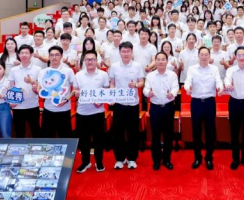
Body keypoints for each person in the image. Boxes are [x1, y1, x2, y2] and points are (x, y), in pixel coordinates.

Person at [184, 47, 223, 170]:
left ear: (209, 56)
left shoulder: (214, 69)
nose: (204, 57)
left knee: (210, 131)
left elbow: (218, 81)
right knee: (196, 131)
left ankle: (209, 158)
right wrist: (188, 88)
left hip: (210, 103)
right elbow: (187, 81)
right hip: (196, 103)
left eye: (206, 54)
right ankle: (197, 157)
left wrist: (220, 88)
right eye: (202, 54)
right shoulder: (192, 69)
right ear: (198, 56)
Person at [108, 41, 146, 169]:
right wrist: (112, 95)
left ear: (132, 52)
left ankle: (132, 158)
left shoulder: (137, 66)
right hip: (119, 104)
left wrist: (136, 85)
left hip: (133, 104)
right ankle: (119, 158)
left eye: (128, 51)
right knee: (118, 132)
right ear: (119, 52)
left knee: (133, 132)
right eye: (123, 51)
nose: (126, 54)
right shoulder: (114, 67)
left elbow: (141, 82)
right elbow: (112, 83)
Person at [72, 50, 110, 173]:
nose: (90, 62)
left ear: (96, 61)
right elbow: (75, 91)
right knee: (84, 140)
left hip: (98, 112)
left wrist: (101, 100)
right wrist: (76, 94)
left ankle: (99, 162)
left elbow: (106, 92)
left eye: (92, 59)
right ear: (84, 61)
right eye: (87, 59)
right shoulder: (78, 75)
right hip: (82, 112)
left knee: (99, 139)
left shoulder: (103, 75)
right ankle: (85, 162)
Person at [144, 52, 178, 170]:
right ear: (155, 62)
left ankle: (167, 159)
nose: (160, 61)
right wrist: (148, 93)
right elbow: (145, 89)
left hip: (168, 107)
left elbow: (175, 87)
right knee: (156, 135)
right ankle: (157, 160)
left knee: (168, 135)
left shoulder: (172, 75)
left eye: (163, 59)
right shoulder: (150, 76)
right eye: (158, 59)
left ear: (167, 61)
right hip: (155, 108)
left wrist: (172, 93)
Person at [38, 46, 76, 138]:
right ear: (49, 57)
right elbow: (40, 89)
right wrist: (37, 89)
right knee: (47, 138)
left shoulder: (68, 71)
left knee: (65, 137)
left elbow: (75, 89)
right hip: (48, 109)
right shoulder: (43, 72)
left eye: (57, 55)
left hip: (64, 109)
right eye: (51, 55)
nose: (54, 57)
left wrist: (66, 100)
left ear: (61, 56)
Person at [7, 44, 41, 138]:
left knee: (36, 131)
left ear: (31, 55)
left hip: (32, 105)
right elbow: (11, 86)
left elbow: (40, 87)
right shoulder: (14, 70)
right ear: (18, 55)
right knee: (19, 132)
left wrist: (32, 83)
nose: (24, 55)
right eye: (22, 53)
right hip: (18, 106)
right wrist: (11, 101)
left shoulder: (38, 69)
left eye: (27, 53)